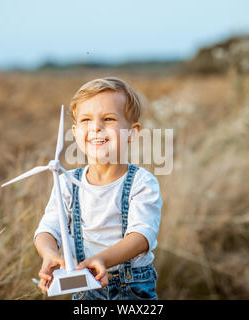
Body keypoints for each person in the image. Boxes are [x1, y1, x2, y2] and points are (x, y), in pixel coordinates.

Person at [34, 77, 162, 300]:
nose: (95, 128)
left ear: (132, 132)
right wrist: (49, 253)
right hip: (84, 286)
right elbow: (48, 228)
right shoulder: (66, 182)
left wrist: (103, 259)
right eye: (86, 120)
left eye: (109, 118)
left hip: (132, 287)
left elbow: (142, 235)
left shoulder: (142, 182)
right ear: (74, 132)